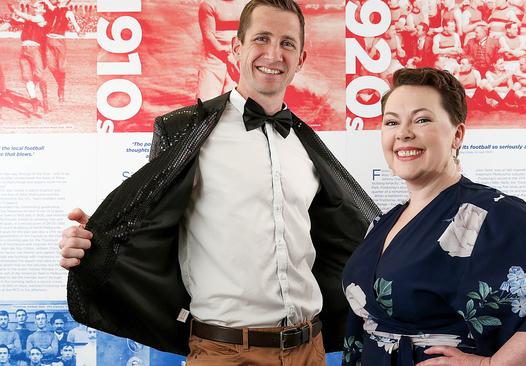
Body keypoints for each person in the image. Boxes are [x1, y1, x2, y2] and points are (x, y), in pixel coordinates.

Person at [58, 0, 378, 365]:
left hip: (309, 350)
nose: (274, 53)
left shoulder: (306, 145)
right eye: (262, 38)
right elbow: (147, 223)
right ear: (236, 48)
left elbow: (337, 241)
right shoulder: (186, 133)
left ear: (301, 58)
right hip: (224, 353)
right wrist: (94, 242)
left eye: (287, 43)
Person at [341, 67, 526, 365]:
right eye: (391, 122)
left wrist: (490, 365)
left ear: (457, 134)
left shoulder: (487, 212)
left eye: (422, 120)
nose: (403, 133)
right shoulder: (382, 222)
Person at [196, 0, 246, 100]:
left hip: (239, 53)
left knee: (236, 99)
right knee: (207, 98)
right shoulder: (208, 4)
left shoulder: (246, 3)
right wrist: (226, 54)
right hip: (215, 56)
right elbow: (208, 36)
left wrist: (238, 55)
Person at [10, 1, 49, 115]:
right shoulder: (29, 19)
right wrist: (14, 14)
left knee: (39, 76)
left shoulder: (40, 18)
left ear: (43, 10)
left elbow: (30, 18)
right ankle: (34, 100)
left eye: (39, 6)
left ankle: (45, 100)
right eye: (36, 6)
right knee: (27, 77)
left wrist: (16, 10)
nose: (36, 7)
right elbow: (16, 21)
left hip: (35, 50)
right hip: (24, 50)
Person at [40, 0, 83, 103]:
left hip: (60, 41)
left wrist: (78, 31)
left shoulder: (68, 12)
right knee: (51, 66)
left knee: (61, 68)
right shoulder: (53, 8)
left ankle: (61, 88)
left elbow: (74, 22)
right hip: (48, 40)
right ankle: (60, 84)